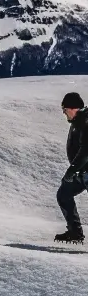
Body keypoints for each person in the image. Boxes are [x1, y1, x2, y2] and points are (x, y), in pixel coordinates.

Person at [55, 92, 88, 244]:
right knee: (64, 194)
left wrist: (71, 170)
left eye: (65, 108)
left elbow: (86, 150)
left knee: (64, 193)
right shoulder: (78, 121)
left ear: (73, 108)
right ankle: (75, 233)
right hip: (81, 173)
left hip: (84, 171)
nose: (63, 112)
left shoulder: (85, 121)